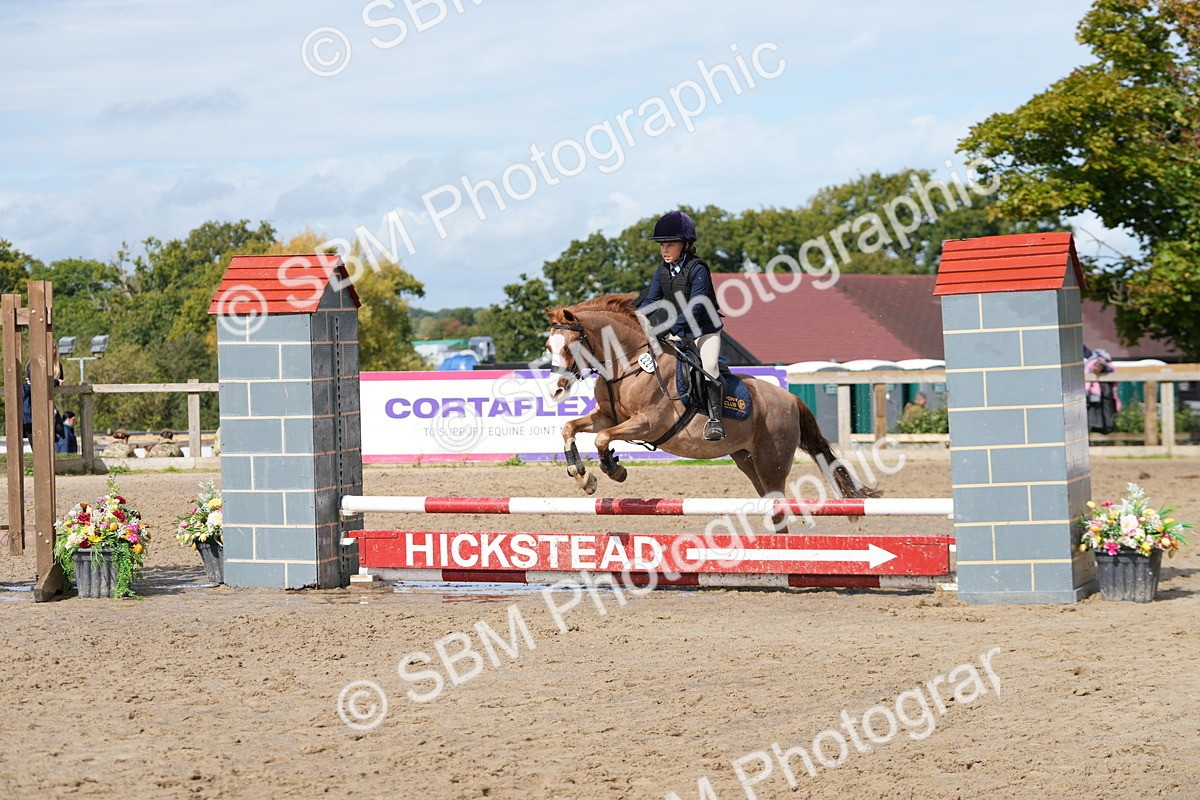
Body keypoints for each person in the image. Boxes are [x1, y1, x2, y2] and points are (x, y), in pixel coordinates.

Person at [635, 210, 726, 440]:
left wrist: (666, 329)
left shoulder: (698, 269)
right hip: (677, 332)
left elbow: (694, 308)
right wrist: (634, 319)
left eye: (670, 245)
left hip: (703, 332)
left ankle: (716, 421)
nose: (664, 250)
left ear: (685, 244)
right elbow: (651, 300)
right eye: (661, 245)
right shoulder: (662, 269)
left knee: (710, 367)